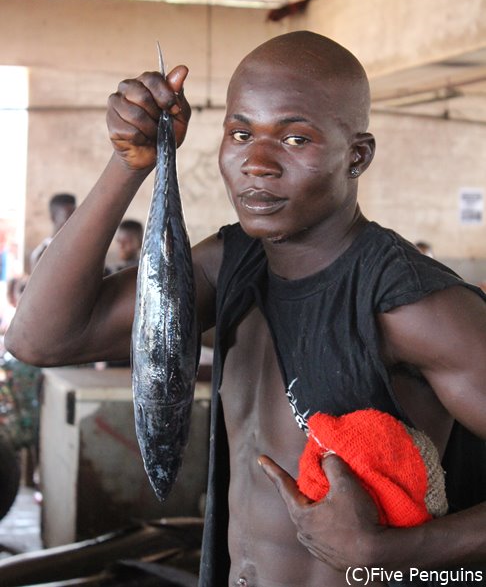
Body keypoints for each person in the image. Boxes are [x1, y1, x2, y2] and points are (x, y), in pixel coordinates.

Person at [5, 32, 486, 587]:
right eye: (240, 133)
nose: (257, 162)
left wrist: (399, 552)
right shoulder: (228, 265)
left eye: (296, 138)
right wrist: (128, 164)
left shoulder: (416, 305)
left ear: (357, 156)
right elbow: (40, 339)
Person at [29, 193, 76, 271]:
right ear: (53, 217)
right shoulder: (42, 254)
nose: (73, 222)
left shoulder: (77, 247)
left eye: (75, 217)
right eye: (67, 218)